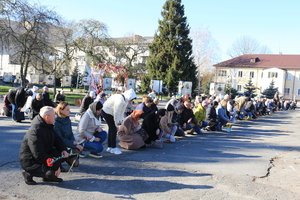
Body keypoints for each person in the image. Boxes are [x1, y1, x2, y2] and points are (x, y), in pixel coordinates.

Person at [19, 106, 69, 185]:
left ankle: (48, 176)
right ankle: (28, 173)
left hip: (44, 153)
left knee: (60, 154)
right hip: (31, 161)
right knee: (50, 173)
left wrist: (63, 149)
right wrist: (56, 166)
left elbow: (57, 139)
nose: (55, 117)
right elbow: (37, 153)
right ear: (47, 117)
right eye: (54, 116)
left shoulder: (47, 124)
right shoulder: (35, 131)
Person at [101, 88, 137, 155]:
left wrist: (121, 121)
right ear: (129, 97)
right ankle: (113, 148)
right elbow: (116, 113)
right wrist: (117, 124)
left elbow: (121, 112)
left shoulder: (124, 99)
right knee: (113, 129)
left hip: (109, 112)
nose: (132, 101)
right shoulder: (120, 100)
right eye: (132, 99)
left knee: (112, 129)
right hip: (107, 112)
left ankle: (110, 147)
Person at [54, 102, 83, 166]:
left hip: (68, 144)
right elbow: (60, 139)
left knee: (75, 164)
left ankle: (69, 156)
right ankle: (58, 162)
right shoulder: (56, 123)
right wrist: (73, 145)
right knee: (76, 148)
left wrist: (74, 142)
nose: (69, 111)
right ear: (61, 110)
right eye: (67, 110)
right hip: (58, 146)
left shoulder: (67, 119)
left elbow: (70, 133)